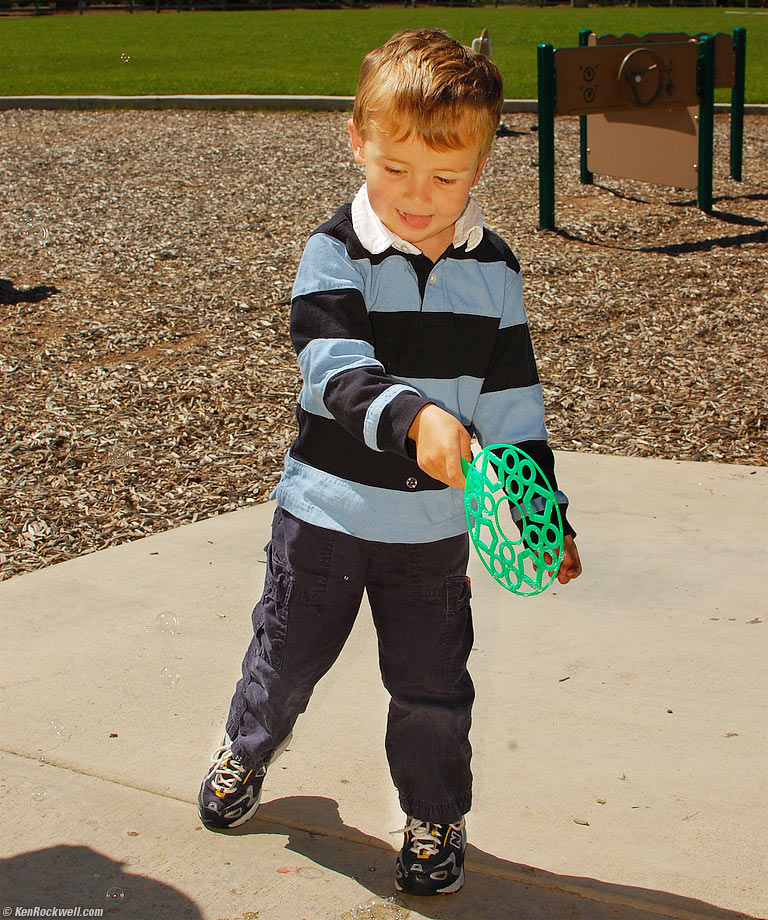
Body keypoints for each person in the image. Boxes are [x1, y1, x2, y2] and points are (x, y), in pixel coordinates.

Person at [198, 27, 582, 897]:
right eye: (396, 167)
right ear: (358, 141)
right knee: (287, 660)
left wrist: (542, 515)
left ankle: (433, 814)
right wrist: (417, 420)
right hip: (326, 518)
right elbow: (333, 370)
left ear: (480, 166)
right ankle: (246, 748)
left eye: (446, 178)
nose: (418, 196)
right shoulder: (335, 253)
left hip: (434, 535)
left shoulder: (495, 271)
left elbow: (514, 405)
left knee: (433, 688)